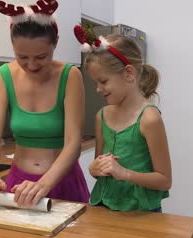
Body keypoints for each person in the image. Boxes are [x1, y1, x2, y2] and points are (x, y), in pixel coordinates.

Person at [0, 0, 90, 207]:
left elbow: (73, 143)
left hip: (62, 182)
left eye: (41, 56)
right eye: (22, 57)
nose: (32, 64)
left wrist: (44, 185)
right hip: (19, 185)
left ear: (55, 43)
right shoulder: (4, 75)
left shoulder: (70, 75)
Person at [73, 24, 172, 212]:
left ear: (128, 73)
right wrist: (95, 169)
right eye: (96, 82)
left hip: (141, 213)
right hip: (102, 208)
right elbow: (102, 170)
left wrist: (125, 173)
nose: (98, 89)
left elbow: (164, 181)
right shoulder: (101, 116)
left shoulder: (149, 119)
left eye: (103, 81)